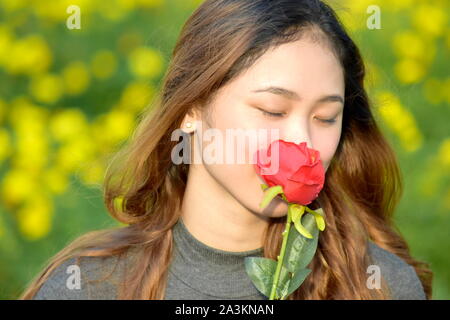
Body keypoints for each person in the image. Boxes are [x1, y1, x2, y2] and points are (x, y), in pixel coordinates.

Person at [20, 0, 432, 300]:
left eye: (326, 118)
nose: (303, 142)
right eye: (272, 110)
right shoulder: (88, 287)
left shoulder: (377, 286)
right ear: (192, 110)